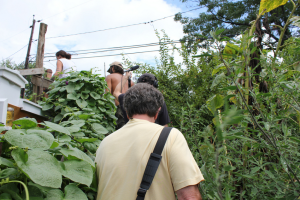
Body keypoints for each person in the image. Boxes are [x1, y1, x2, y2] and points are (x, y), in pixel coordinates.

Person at [95, 83, 204, 200]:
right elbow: (189, 197)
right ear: (157, 112)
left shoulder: (105, 143)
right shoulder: (170, 136)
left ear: (127, 112)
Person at [105, 61, 134, 129]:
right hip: (129, 109)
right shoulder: (130, 81)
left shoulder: (109, 77)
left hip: (117, 109)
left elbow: (107, 95)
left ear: (113, 68)